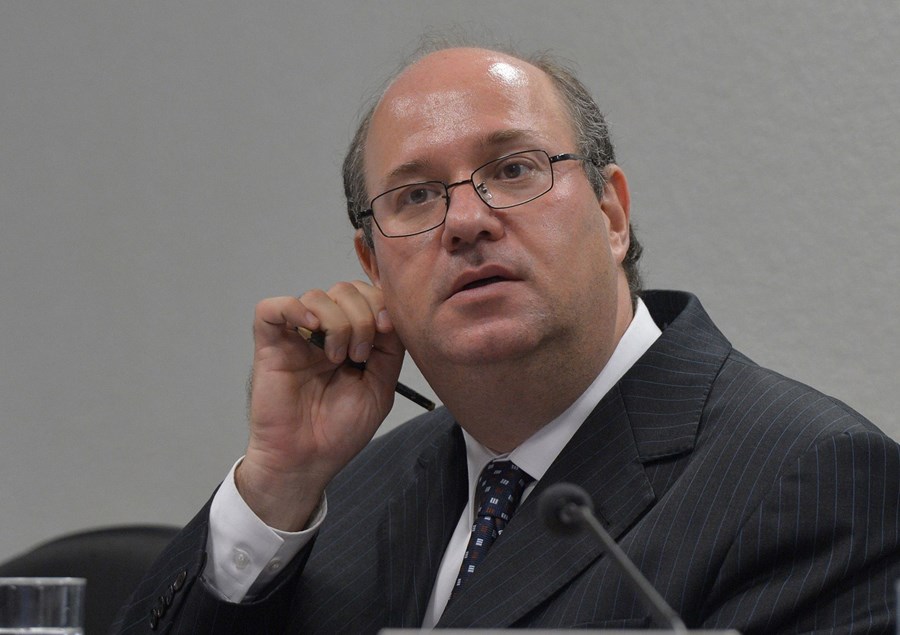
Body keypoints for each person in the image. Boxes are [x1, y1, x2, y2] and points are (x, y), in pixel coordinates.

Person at [111, 42, 900, 634]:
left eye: (514, 169)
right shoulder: (347, 493)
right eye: (416, 196)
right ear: (373, 265)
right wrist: (278, 481)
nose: (465, 221)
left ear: (612, 214)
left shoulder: (812, 479)